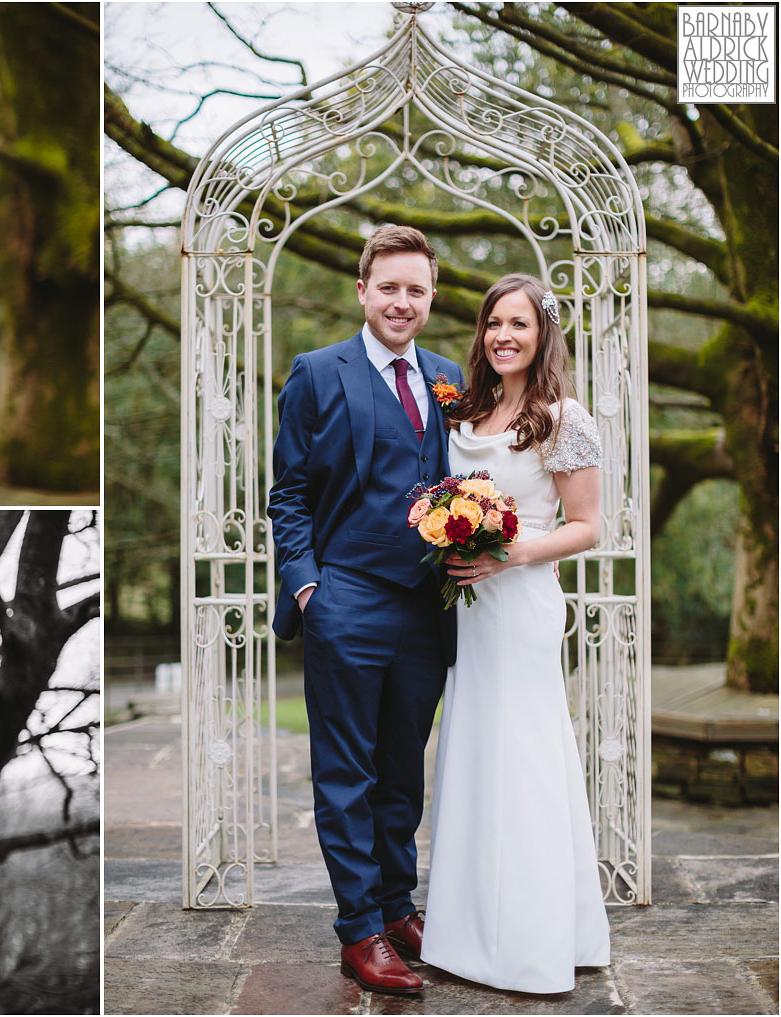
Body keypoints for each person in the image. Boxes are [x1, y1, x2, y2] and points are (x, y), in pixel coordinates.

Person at [268, 224, 462, 995]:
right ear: (362, 290)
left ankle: (396, 904)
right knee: (344, 771)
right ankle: (359, 930)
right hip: (345, 598)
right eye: (389, 287)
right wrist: (310, 585)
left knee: (400, 769)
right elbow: (288, 493)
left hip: (425, 608)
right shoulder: (318, 373)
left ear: (431, 296)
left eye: (416, 289)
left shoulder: (449, 376)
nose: (402, 302)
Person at [421, 273, 611, 991]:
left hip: (522, 602)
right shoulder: (465, 412)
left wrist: (513, 552)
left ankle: (531, 939)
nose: (504, 334)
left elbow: (590, 525)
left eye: (519, 324)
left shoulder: (564, 417)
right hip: (468, 613)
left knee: (525, 759)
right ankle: (468, 934)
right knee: (474, 757)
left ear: (542, 335)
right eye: (494, 322)